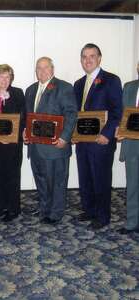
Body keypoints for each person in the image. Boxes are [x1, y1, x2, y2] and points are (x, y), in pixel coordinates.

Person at [74, 43, 122, 229]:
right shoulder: (78, 84)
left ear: (99, 58)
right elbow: (75, 113)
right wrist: (73, 134)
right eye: (84, 57)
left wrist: (107, 134)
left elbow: (118, 111)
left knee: (101, 178)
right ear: (81, 60)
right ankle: (90, 210)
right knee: (85, 177)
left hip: (101, 142)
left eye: (92, 56)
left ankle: (102, 216)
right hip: (82, 141)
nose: (88, 60)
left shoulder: (111, 80)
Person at [24, 57, 77, 224]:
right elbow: (28, 116)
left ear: (52, 69)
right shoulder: (30, 90)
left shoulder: (64, 87)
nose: (42, 71)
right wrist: (26, 131)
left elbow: (71, 114)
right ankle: (44, 209)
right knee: (41, 180)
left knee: (57, 181)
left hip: (56, 146)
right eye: (39, 68)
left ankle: (56, 213)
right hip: (35, 147)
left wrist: (65, 137)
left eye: (46, 67)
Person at [0, 64, 25, 222]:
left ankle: (14, 208)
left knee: (13, 175)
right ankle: (1, 206)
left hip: (13, 144)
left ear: (11, 78)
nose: (4, 80)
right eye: (1, 76)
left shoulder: (18, 93)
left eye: (7, 76)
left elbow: (21, 118)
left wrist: (7, 101)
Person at [116, 62, 139, 234]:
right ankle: (132, 222)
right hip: (132, 144)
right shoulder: (129, 87)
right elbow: (123, 113)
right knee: (132, 185)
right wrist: (120, 128)